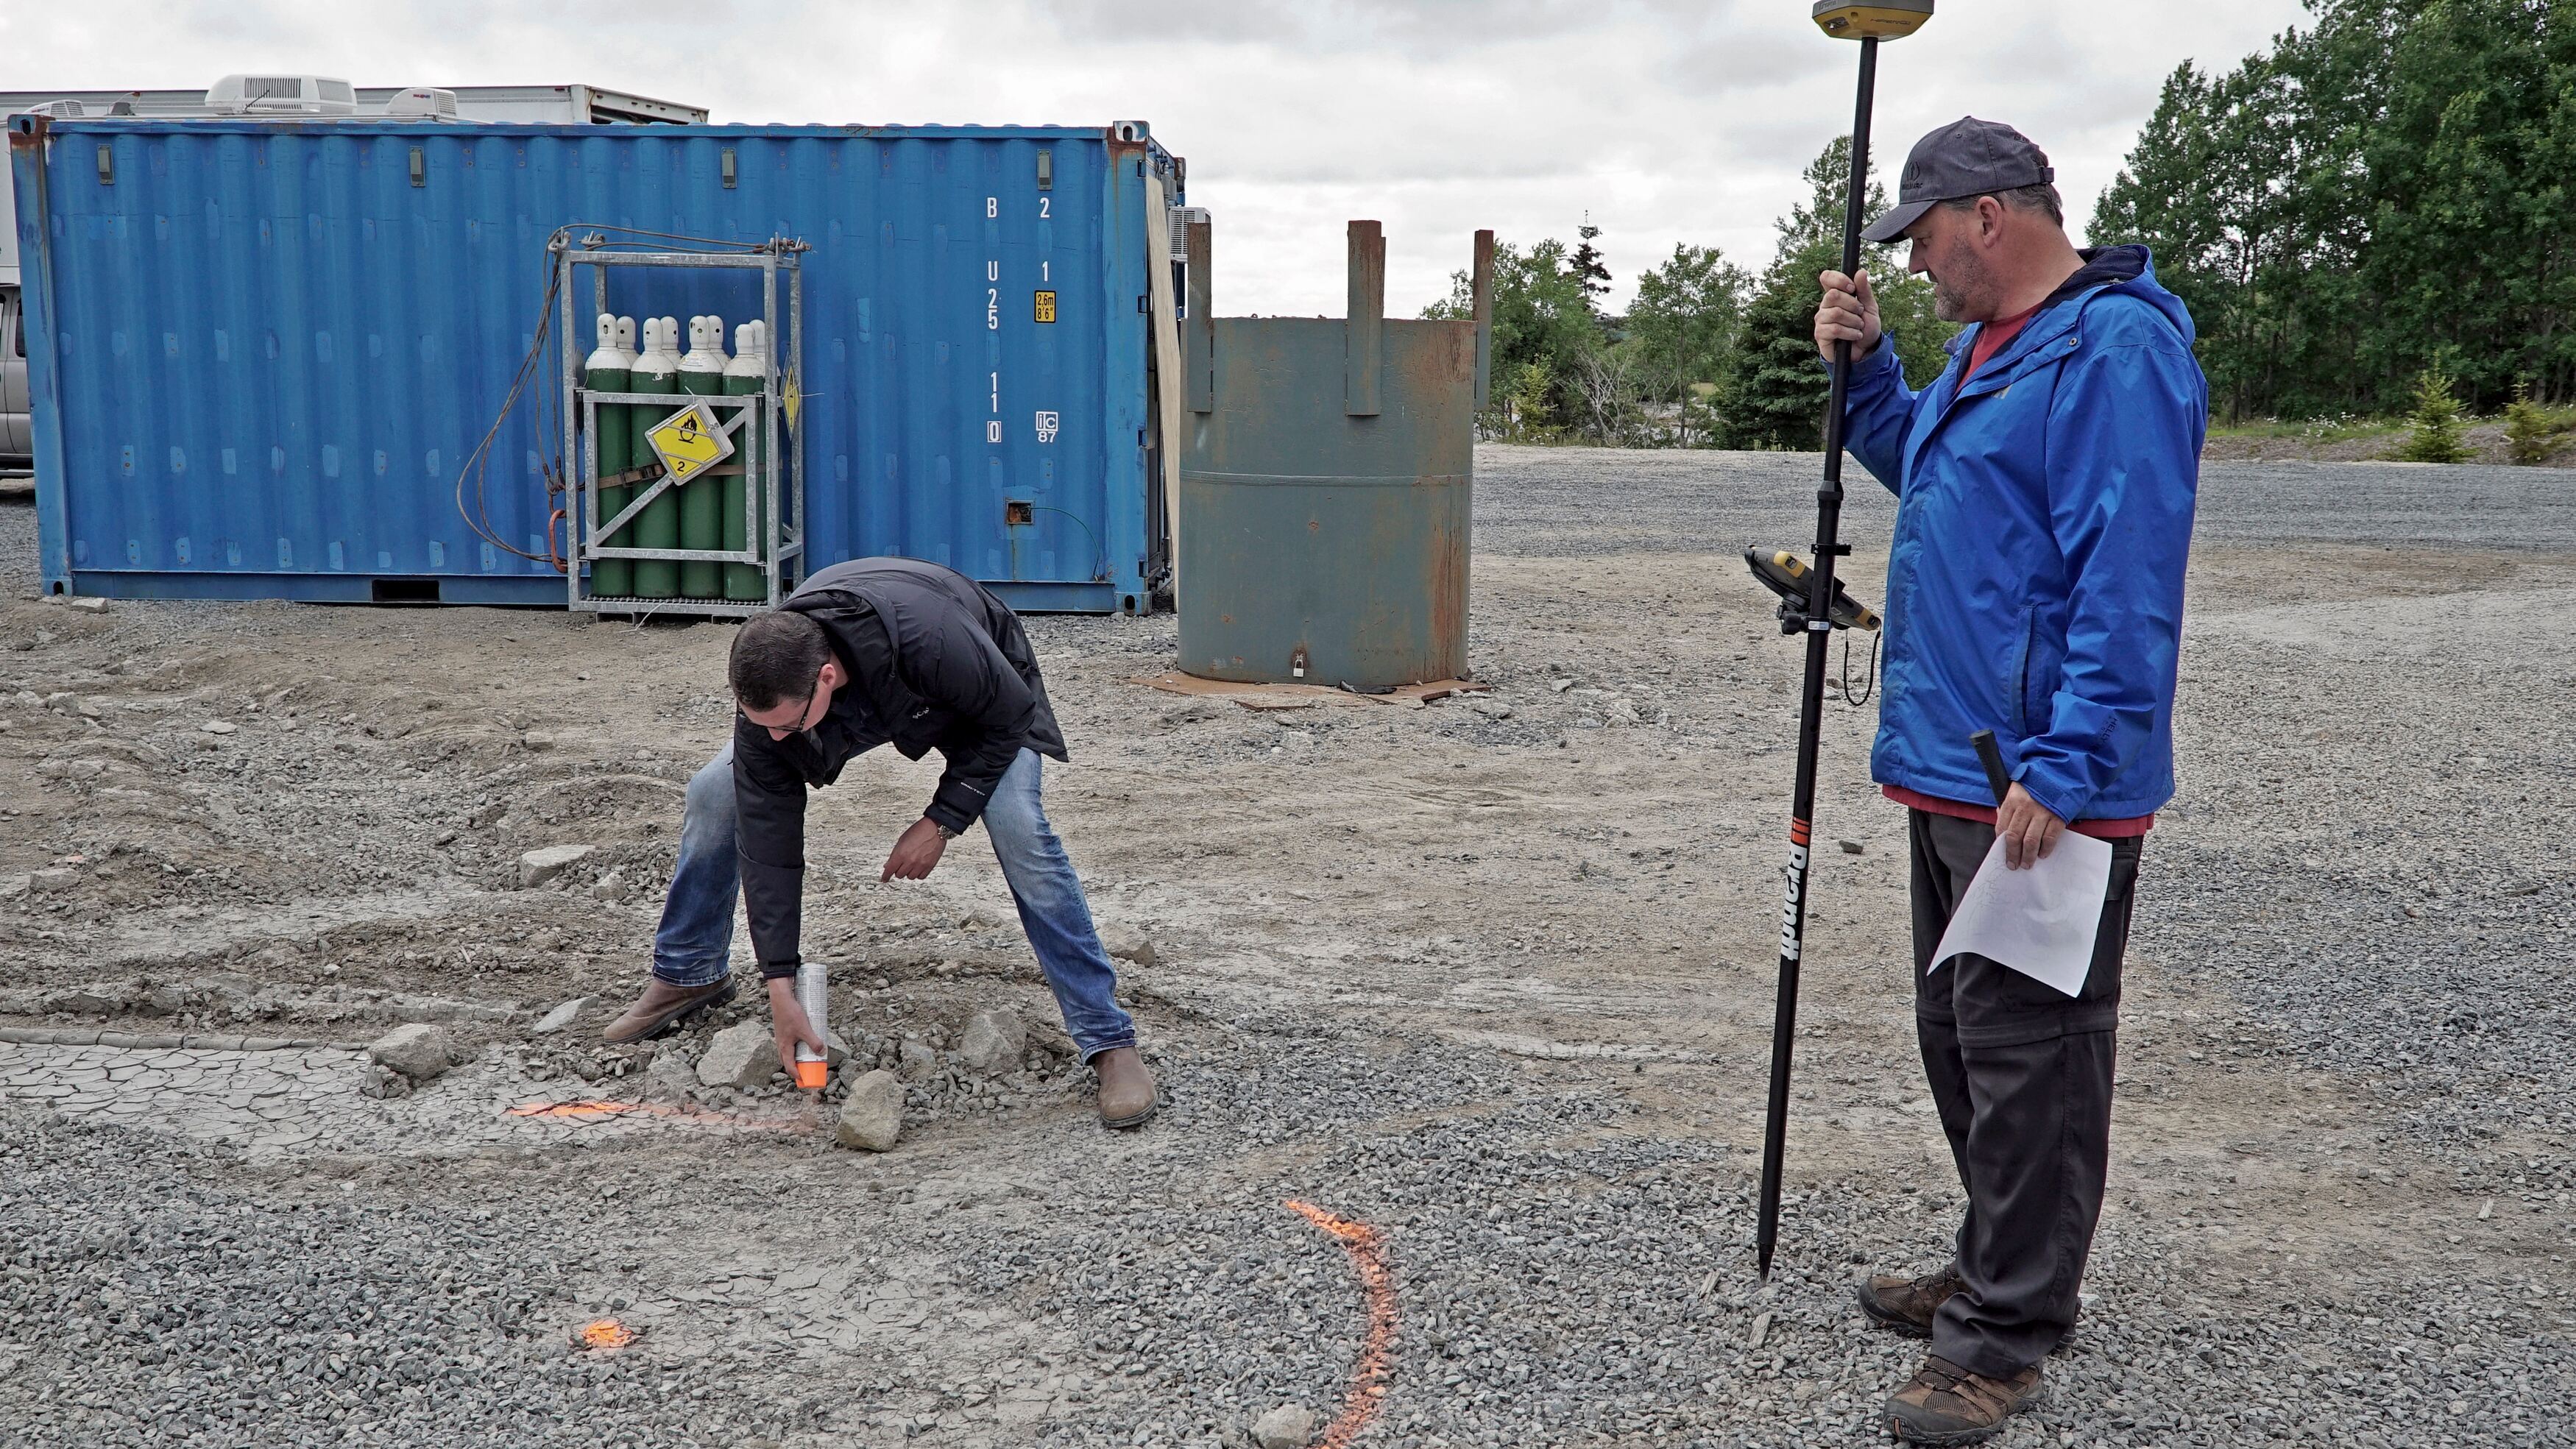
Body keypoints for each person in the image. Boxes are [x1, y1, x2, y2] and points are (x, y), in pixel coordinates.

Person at [1811, 117, 2205, 1443]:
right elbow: (1929, 470)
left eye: (1923, 242)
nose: (1916, 266)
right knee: (1963, 1043)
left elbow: (2128, 573)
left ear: (1989, 216)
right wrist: (1871, 373)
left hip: (2039, 785)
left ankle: (2007, 1333)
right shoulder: (1994, 346)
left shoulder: (2117, 350)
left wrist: (2074, 760)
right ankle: (1998, 1262)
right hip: (1948, 768)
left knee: (2033, 1059)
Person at [601, 556, 1158, 1130]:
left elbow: (1008, 714)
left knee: (1017, 823)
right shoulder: (775, 694)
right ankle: (690, 971)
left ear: (825, 679)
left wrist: (942, 820)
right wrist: (780, 983)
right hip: (871, 685)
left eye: (786, 727)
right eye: (759, 724)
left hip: (976, 695)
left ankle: (1109, 1039)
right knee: (716, 791)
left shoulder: (936, 641)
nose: (772, 740)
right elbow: (770, 841)